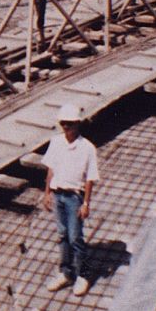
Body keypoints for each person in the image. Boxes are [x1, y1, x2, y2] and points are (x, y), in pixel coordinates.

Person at [40, 104, 100, 297]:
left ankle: (83, 274)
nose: (66, 127)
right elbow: (50, 169)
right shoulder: (56, 142)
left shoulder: (87, 148)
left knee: (75, 237)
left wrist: (86, 203)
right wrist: (47, 193)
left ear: (77, 124)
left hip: (75, 196)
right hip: (58, 194)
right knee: (63, 235)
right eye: (63, 123)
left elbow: (90, 178)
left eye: (70, 124)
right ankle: (66, 272)